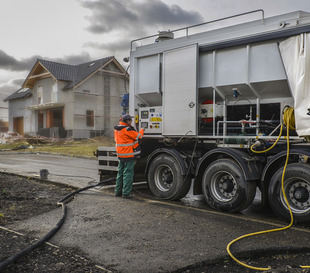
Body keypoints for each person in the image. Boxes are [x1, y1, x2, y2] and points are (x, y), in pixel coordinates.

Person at [114, 114, 145, 198]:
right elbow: (139, 136)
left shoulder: (117, 129)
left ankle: (118, 191)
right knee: (128, 174)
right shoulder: (128, 129)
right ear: (127, 121)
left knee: (120, 173)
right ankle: (126, 193)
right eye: (130, 120)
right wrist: (142, 129)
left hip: (120, 154)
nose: (131, 121)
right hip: (128, 155)